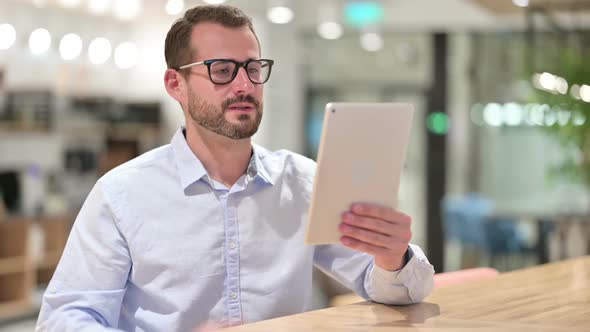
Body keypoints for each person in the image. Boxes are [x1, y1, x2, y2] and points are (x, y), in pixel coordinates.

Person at [36, 5, 434, 332]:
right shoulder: (120, 195)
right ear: (176, 85)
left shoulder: (303, 181)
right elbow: (64, 320)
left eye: (253, 68)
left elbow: (394, 290)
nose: (244, 85)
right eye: (222, 70)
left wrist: (392, 258)